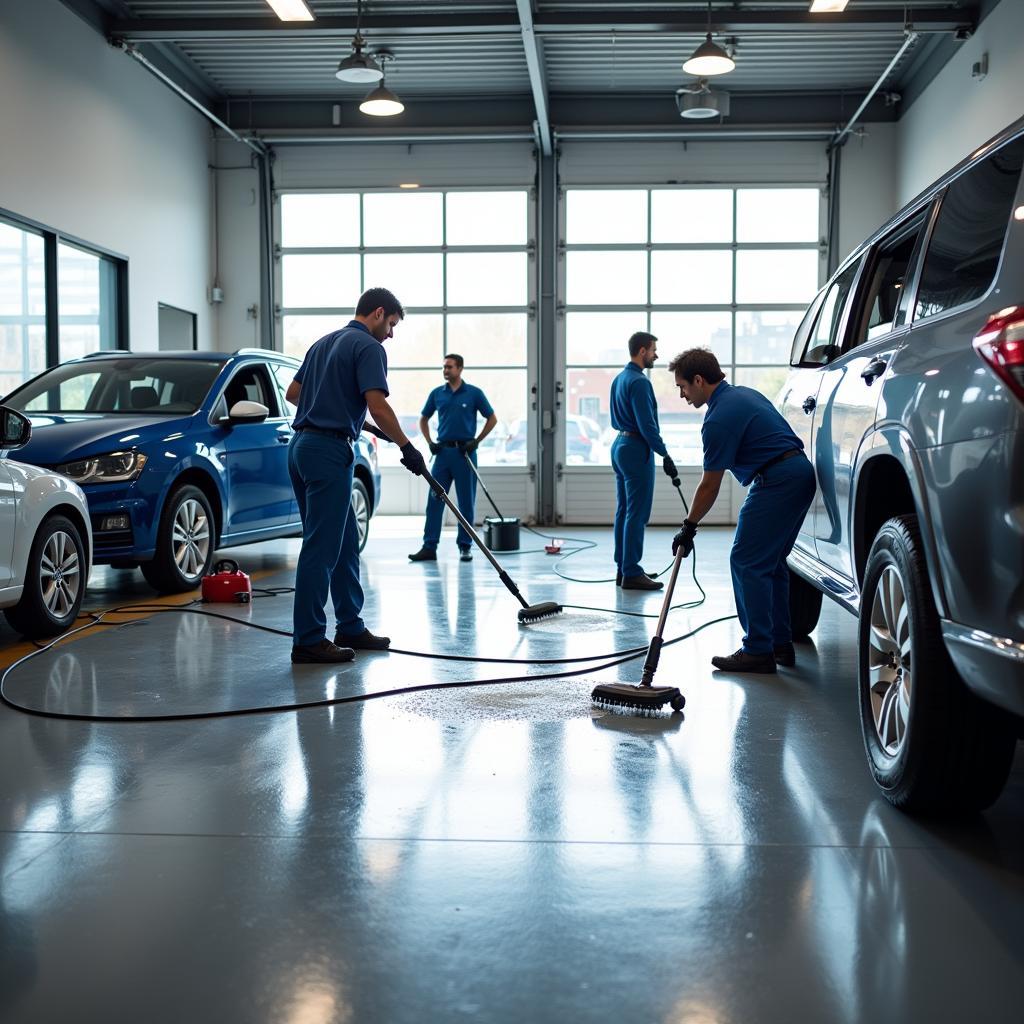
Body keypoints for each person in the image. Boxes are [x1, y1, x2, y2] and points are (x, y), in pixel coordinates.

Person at [285, 287, 427, 664]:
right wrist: (405, 446)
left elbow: (294, 393)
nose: (391, 334)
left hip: (301, 447)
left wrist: (346, 415)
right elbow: (378, 405)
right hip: (328, 452)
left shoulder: (323, 343)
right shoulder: (368, 347)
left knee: (344, 540)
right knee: (321, 546)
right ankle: (308, 639)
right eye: (392, 324)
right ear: (379, 312)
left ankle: (350, 624)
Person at [668, 348, 816, 674]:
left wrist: (689, 526)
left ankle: (758, 650)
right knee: (770, 563)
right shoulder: (744, 395)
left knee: (746, 560)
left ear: (698, 380)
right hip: (799, 474)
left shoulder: (718, 418)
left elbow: (710, 485)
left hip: (776, 481)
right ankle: (778, 643)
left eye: (683, 387)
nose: (682, 395)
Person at [408, 354, 497, 563]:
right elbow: (423, 419)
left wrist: (477, 441)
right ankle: (429, 546)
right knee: (434, 501)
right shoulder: (437, 394)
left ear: (460, 368)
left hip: (464, 454)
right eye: (444, 367)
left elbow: (492, 418)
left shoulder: (474, 394)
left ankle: (465, 546)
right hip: (443, 455)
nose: (445, 371)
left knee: (466, 503)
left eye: (449, 367)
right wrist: (430, 441)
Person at [609, 331, 679, 590]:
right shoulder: (639, 382)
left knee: (624, 511)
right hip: (637, 448)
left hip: (619, 445)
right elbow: (647, 425)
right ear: (641, 351)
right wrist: (664, 453)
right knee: (637, 513)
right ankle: (632, 571)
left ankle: (623, 568)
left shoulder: (619, 379)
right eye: (653, 350)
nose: (655, 355)